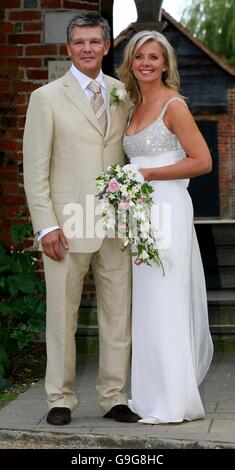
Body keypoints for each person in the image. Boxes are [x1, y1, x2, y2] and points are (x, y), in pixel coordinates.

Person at [23, 12, 140, 425]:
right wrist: (46, 225)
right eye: (79, 42)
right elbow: (34, 169)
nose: (87, 49)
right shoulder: (46, 97)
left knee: (118, 313)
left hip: (116, 223)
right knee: (61, 315)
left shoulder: (124, 93)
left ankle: (114, 396)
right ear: (68, 48)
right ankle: (60, 397)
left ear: (107, 47)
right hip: (67, 225)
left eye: (94, 41)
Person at [118, 30, 214, 424]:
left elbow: (203, 160)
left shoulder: (174, 105)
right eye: (139, 56)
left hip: (169, 209)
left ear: (165, 63)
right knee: (148, 304)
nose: (146, 63)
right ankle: (149, 397)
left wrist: (152, 173)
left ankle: (174, 401)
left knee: (168, 299)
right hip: (141, 216)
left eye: (154, 57)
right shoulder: (131, 105)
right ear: (130, 61)